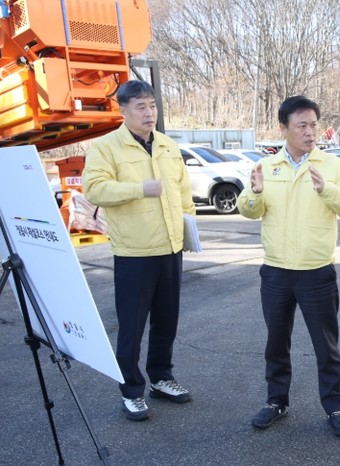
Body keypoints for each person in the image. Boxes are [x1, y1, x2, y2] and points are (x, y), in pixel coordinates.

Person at [236, 95, 340, 437]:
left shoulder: (333, 166)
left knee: (326, 346)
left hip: (316, 271)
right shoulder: (267, 167)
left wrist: (327, 190)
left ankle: (335, 407)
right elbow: (248, 210)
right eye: (301, 125)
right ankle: (276, 401)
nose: (309, 132)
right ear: (284, 129)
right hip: (276, 271)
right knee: (276, 343)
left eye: (313, 125)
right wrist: (255, 193)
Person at [83, 80, 196, 421]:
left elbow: (183, 193)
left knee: (166, 320)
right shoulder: (106, 147)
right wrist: (139, 189)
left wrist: (187, 232)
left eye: (152, 105)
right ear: (123, 110)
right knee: (132, 327)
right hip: (134, 252)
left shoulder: (167, 146)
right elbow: (95, 189)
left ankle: (161, 378)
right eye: (141, 107)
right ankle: (131, 390)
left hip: (170, 248)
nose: (149, 113)